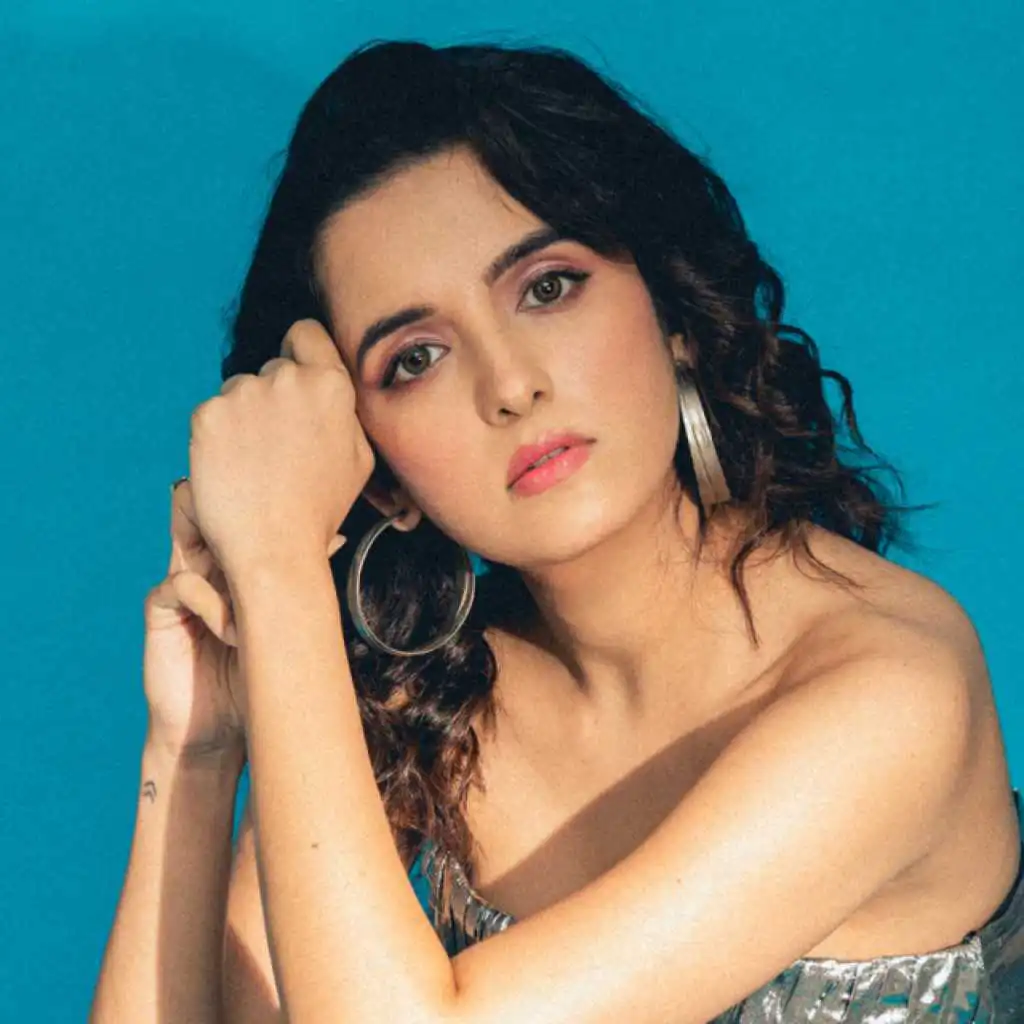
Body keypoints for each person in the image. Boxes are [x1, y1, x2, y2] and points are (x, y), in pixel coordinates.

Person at [89, 40, 1022, 1024]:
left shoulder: (889, 691)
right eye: (416, 358)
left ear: (670, 310)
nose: (509, 384)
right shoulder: (440, 695)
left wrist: (278, 566)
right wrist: (194, 749)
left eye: (545, 287)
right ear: (372, 467)